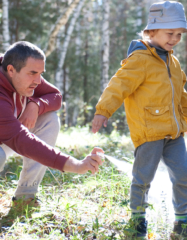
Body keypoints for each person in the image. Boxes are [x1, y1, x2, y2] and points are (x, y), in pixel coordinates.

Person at [92, 1, 187, 238]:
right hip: (149, 132)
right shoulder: (140, 59)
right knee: (143, 178)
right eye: (170, 33)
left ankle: (182, 222)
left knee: (184, 175)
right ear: (151, 31)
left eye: (179, 34)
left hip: (174, 134)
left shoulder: (173, 62)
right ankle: (137, 220)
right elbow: (119, 85)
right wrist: (103, 110)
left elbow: (181, 95)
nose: (175, 38)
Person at [0, 41, 104, 207]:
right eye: (32, 73)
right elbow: (24, 142)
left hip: (8, 134)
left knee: (49, 119)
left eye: (40, 73)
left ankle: (26, 196)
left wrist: (36, 105)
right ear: (11, 70)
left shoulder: (16, 73)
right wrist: (76, 166)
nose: (38, 80)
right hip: (10, 137)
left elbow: (55, 96)